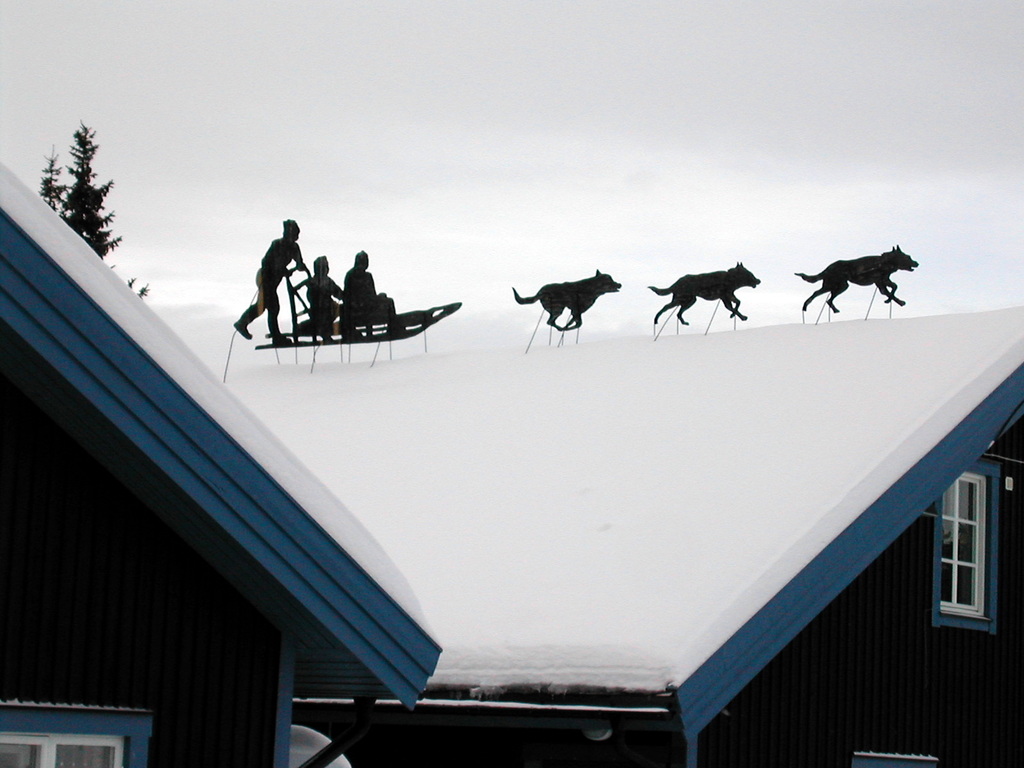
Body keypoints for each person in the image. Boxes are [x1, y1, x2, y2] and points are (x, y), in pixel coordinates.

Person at [234, 219, 307, 344]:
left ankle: (245, 324)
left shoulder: (294, 247)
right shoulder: (277, 244)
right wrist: (281, 269)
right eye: (294, 233)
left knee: (266, 306)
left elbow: (299, 262)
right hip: (265, 277)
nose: (295, 237)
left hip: (274, 280)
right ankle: (271, 334)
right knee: (271, 306)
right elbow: (266, 261)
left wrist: (300, 266)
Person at [342, 251, 396, 339]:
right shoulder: (365, 276)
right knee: (389, 301)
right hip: (363, 307)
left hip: (358, 307)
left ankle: (392, 327)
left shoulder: (350, 274)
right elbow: (371, 295)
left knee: (384, 298)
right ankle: (393, 327)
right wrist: (380, 297)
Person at [295, 255, 343, 344]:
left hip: (315, 313)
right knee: (342, 309)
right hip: (325, 313)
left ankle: (306, 328)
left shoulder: (311, 282)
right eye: (326, 266)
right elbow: (339, 294)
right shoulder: (327, 282)